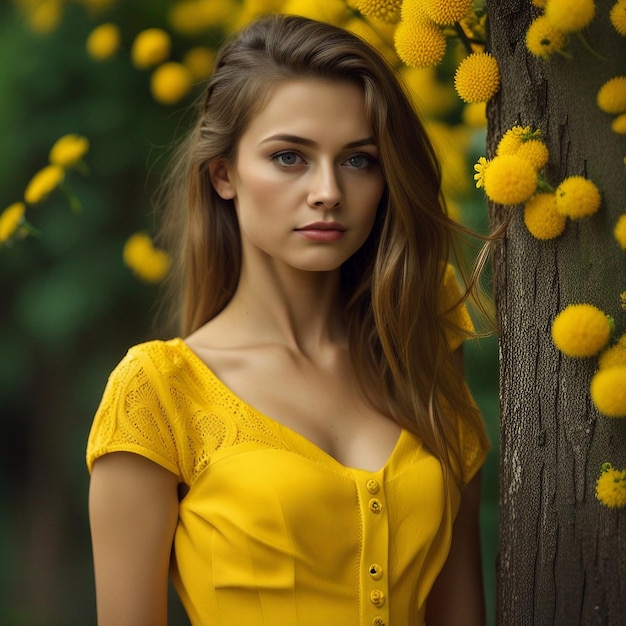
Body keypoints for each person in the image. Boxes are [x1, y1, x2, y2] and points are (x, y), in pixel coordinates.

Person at [87, 13, 493, 626]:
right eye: (289, 158)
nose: (328, 190)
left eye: (358, 161)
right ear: (223, 174)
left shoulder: (423, 337)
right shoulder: (159, 392)